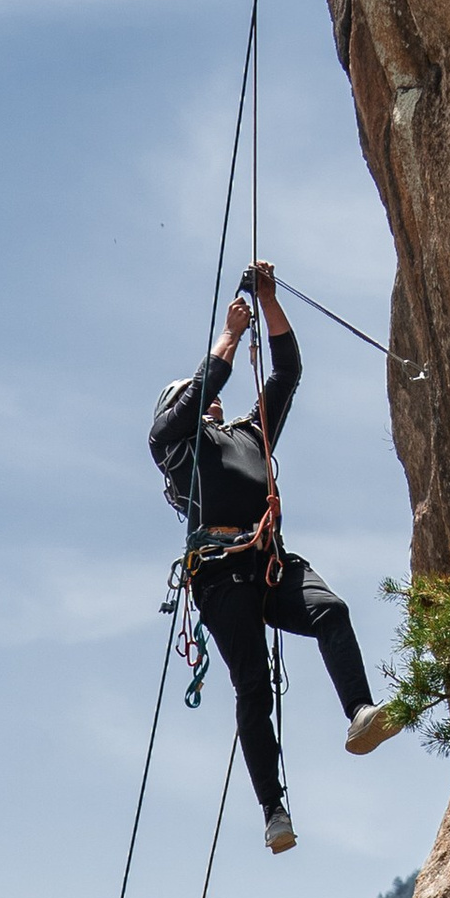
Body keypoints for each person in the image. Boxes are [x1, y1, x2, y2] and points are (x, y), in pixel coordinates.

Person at [149, 261, 398, 851]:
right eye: (190, 398)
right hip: (220, 576)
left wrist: (269, 301)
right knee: (254, 687)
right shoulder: (172, 445)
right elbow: (201, 389)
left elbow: (288, 371)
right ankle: (274, 811)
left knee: (330, 610)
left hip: (268, 561)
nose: (203, 402)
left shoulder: (247, 434)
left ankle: (359, 712)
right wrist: (229, 336)